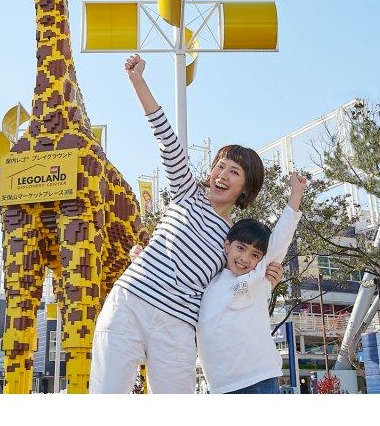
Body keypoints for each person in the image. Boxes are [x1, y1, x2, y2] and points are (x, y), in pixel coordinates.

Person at [89, 54, 282, 394]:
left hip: (178, 326)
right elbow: (167, 138)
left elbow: (235, 282)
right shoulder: (186, 192)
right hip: (131, 303)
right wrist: (138, 82)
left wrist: (268, 277)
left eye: (233, 172)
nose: (222, 175)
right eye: (220, 166)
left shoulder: (233, 239)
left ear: (245, 188)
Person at [197, 171, 307, 394]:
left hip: (259, 378)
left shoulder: (259, 277)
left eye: (255, 255)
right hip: (220, 385)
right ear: (227, 245)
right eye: (240, 248)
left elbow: (282, 236)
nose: (245, 258)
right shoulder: (207, 280)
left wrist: (296, 194)